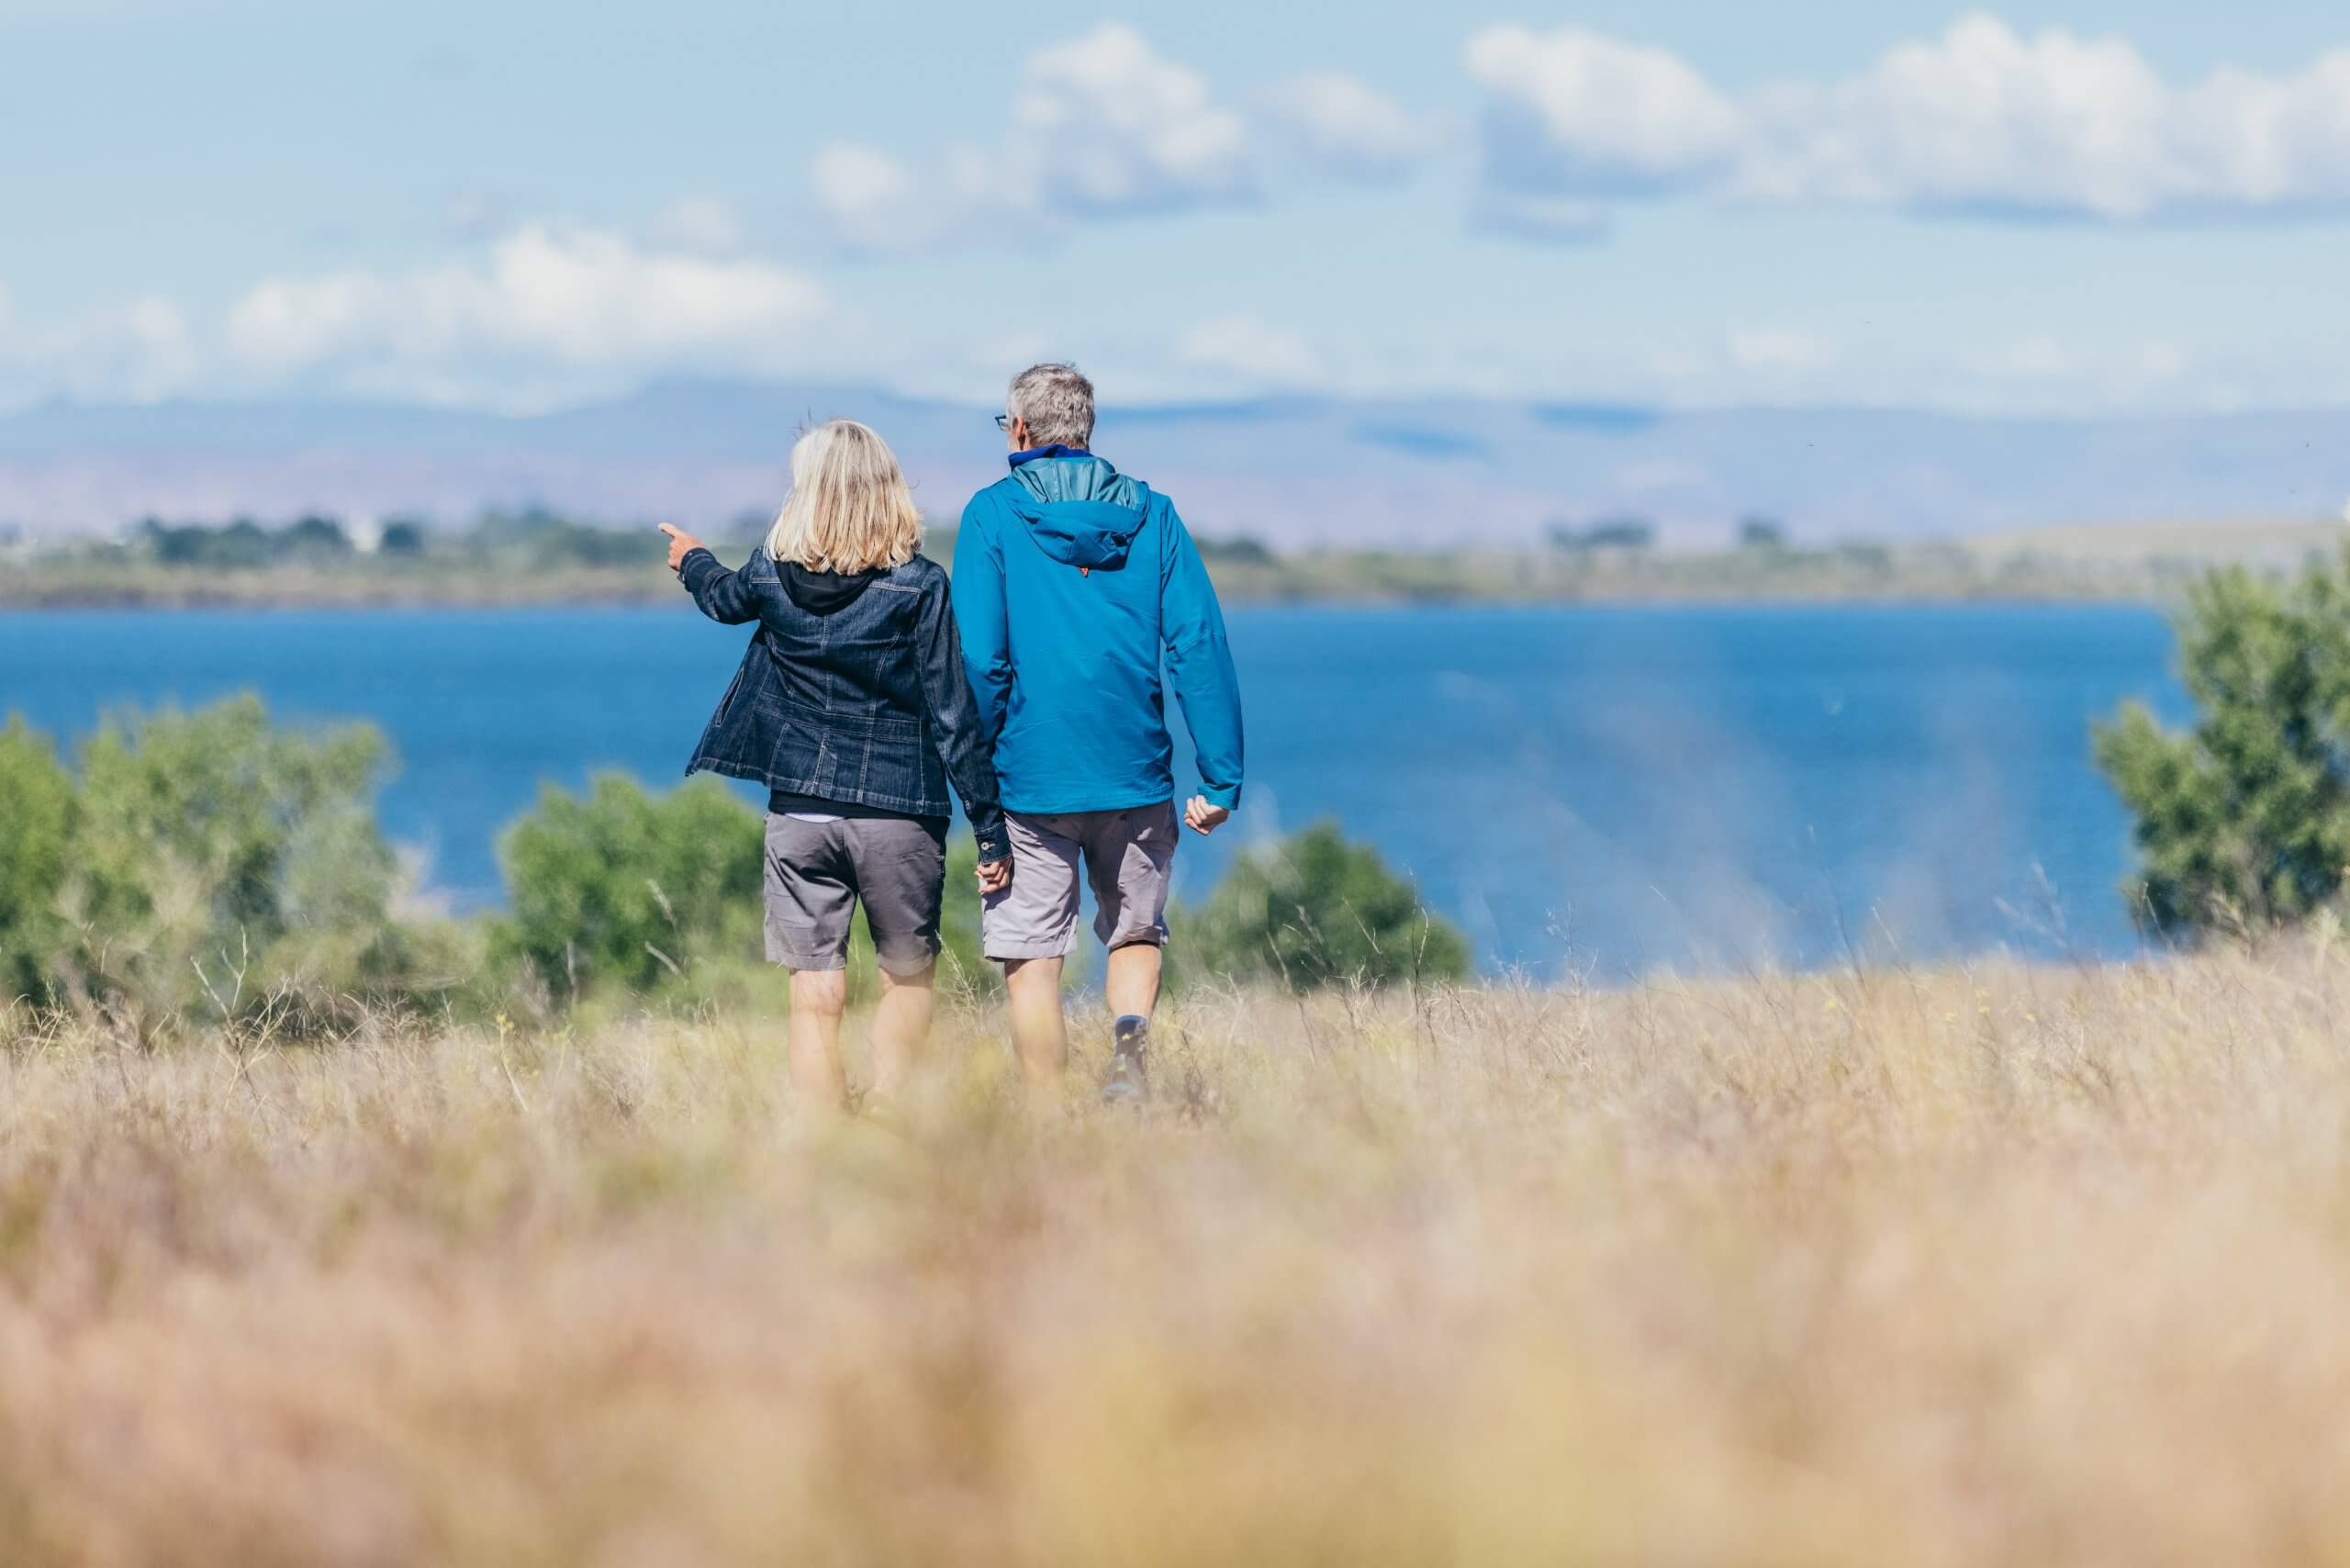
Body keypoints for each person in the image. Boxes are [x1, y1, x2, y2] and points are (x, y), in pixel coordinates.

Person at [659, 420, 1013, 1112]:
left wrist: (692, 558)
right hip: (899, 813)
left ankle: (821, 1134)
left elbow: (725, 598)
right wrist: (991, 828)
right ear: (888, 491)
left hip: (800, 814)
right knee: (906, 979)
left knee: (813, 992)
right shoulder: (921, 587)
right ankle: (890, 1119)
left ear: (807, 492)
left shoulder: (768, 571)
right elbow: (952, 714)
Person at [953, 363, 1245, 1103]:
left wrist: (970, 768)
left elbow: (982, 661)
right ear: (1085, 430)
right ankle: (1126, 1059)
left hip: (1028, 779)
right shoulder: (1155, 515)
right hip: (1135, 772)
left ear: (1020, 430)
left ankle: (1050, 1116)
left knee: (1032, 953)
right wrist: (1221, 777)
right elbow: (1197, 643)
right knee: (1135, 933)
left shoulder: (991, 515)